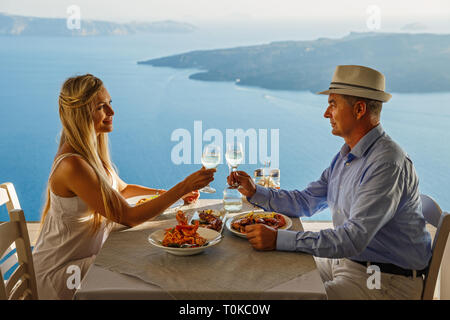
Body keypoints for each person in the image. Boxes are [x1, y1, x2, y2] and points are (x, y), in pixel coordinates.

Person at [228, 65, 432, 300]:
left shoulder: (386, 164)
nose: (326, 113)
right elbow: (306, 201)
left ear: (359, 109)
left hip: (384, 281)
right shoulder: (348, 155)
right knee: (269, 275)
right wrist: (255, 192)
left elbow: (353, 238)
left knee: (282, 296)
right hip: (350, 264)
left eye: (333, 104)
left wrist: (278, 238)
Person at [32, 74, 216, 300]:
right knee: (154, 275)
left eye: (110, 103)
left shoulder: (89, 155)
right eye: (101, 107)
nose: (111, 112)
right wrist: (181, 187)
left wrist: (170, 194)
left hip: (84, 258)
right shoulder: (73, 165)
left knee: (150, 258)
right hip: (62, 273)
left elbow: (123, 189)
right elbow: (127, 216)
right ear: (81, 114)